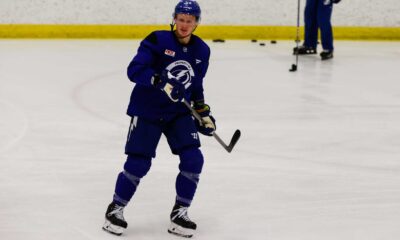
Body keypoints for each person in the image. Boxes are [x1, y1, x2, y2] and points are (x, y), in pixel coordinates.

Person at [102, 0, 216, 238]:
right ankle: (116, 209)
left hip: (178, 114)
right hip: (148, 110)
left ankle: (180, 213)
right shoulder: (157, 39)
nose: (184, 25)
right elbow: (134, 70)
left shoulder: (202, 51)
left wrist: (203, 113)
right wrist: (160, 81)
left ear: (197, 23)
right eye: (181, 19)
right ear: (174, 19)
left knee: (194, 159)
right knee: (138, 163)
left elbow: (196, 86)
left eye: (190, 21)